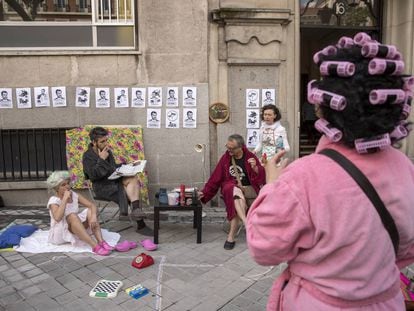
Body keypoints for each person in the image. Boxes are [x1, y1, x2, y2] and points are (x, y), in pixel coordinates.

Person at [247, 33, 414, 310]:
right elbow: (407, 248)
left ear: (322, 106)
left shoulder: (303, 178)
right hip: (386, 302)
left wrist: (271, 186)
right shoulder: (405, 168)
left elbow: (263, 247)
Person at [82, 127, 153, 236]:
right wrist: (101, 159)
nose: (105, 143)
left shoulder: (107, 151)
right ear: (93, 142)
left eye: (106, 140)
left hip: (113, 181)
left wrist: (128, 165)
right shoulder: (88, 156)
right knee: (128, 190)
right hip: (101, 187)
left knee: (132, 177)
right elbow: (93, 176)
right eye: (102, 141)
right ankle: (140, 223)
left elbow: (112, 168)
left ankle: (136, 211)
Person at [198, 134, 265, 250]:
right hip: (232, 189)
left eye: (232, 148)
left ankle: (231, 236)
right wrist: (205, 192)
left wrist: (256, 169)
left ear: (241, 147)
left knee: (237, 202)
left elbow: (261, 178)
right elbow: (215, 178)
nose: (229, 150)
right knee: (232, 189)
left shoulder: (250, 157)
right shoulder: (226, 158)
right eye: (227, 147)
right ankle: (246, 222)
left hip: (248, 191)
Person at [46, 171, 113, 256]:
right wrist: (64, 200)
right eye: (63, 185)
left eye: (68, 183)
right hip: (60, 232)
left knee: (90, 211)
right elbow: (58, 218)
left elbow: (92, 205)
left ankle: (101, 242)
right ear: (56, 189)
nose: (67, 186)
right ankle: (94, 246)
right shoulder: (54, 200)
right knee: (72, 215)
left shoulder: (74, 195)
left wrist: (93, 217)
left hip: (75, 227)